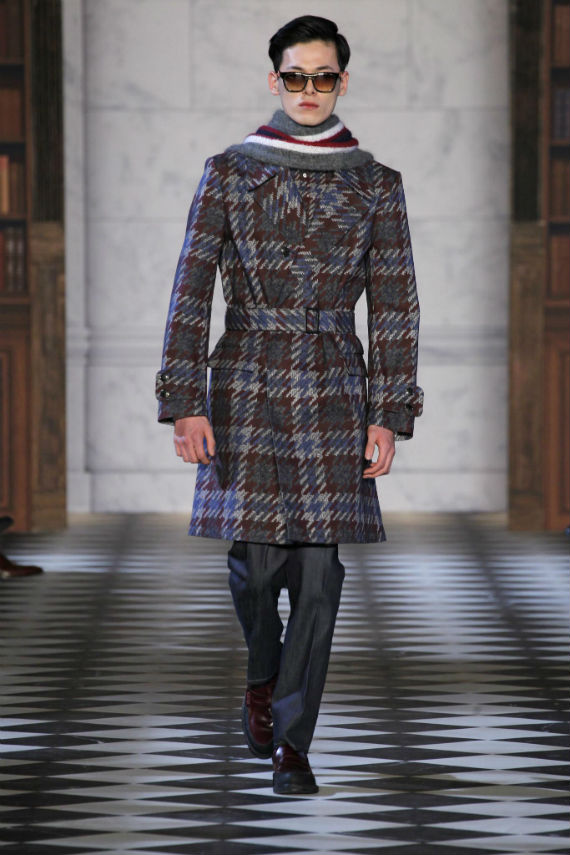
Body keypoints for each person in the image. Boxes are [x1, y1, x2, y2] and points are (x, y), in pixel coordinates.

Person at [156, 15, 423, 795]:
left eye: (324, 76)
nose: (310, 90)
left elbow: (396, 305)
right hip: (246, 380)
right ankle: (263, 674)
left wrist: (388, 410)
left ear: (342, 81)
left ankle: (292, 743)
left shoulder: (375, 183)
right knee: (255, 564)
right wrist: (184, 400)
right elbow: (190, 288)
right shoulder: (230, 172)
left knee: (317, 571)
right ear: (275, 80)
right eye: (297, 76)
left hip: (336, 384)